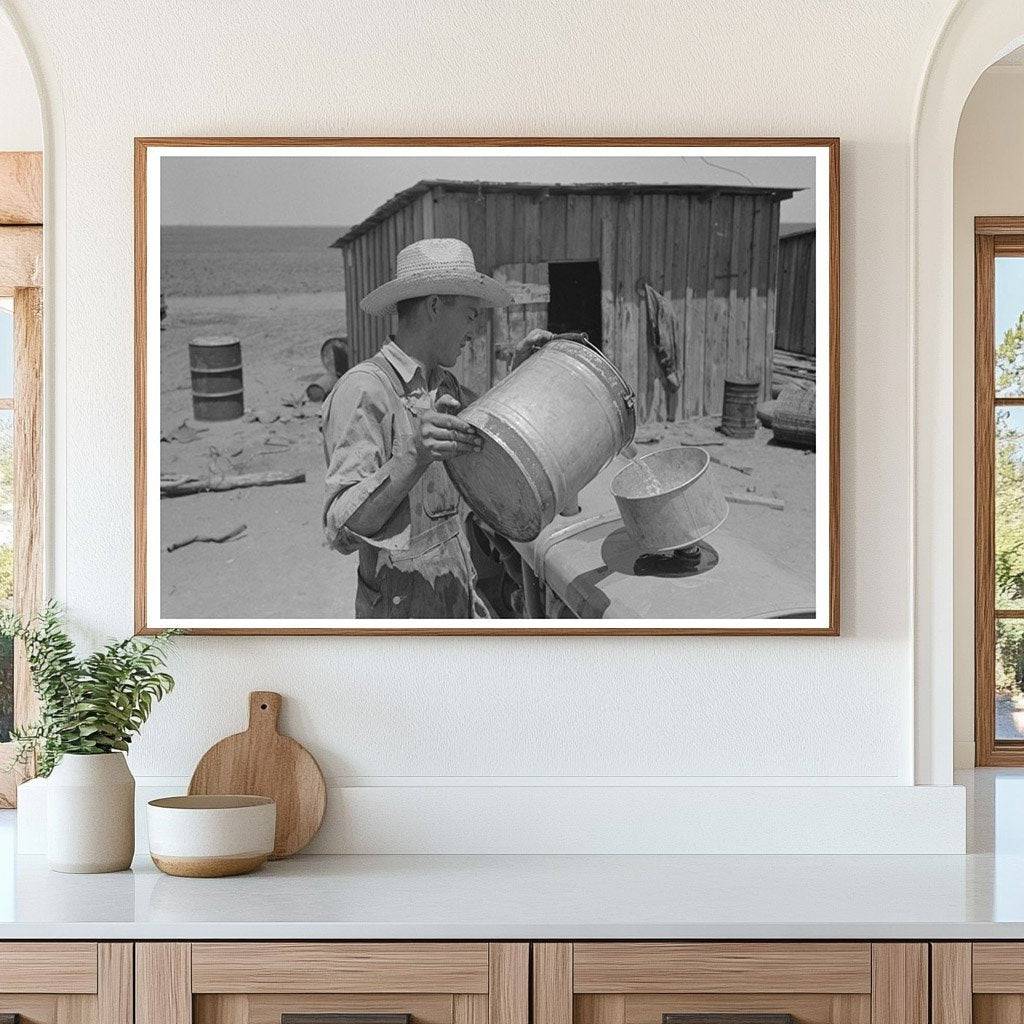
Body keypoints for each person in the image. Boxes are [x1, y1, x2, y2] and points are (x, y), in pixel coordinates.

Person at [322, 237, 548, 619]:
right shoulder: (365, 390)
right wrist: (413, 457)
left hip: (456, 600)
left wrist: (520, 375)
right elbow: (341, 531)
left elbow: (489, 431)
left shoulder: (444, 386)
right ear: (434, 307)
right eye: (471, 315)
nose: (474, 331)